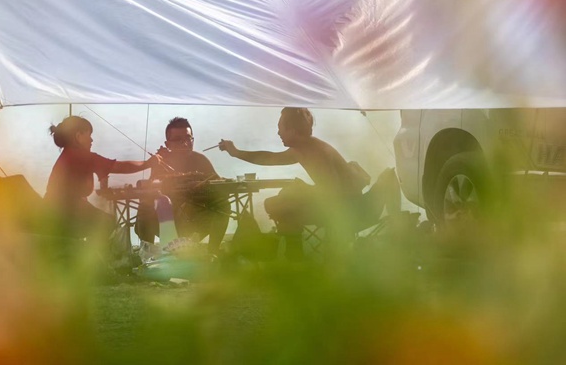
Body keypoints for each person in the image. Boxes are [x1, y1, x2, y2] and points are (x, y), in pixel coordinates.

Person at [218, 107, 369, 259]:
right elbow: (268, 158)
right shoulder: (303, 148)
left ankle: (295, 257)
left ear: (293, 130)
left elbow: (335, 192)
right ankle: (294, 255)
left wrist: (304, 189)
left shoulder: (315, 151)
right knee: (277, 204)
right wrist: (235, 152)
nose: (278, 133)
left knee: (279, 206)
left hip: (346, 211)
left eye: (280, 128)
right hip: (339, 206)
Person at [45, 116, 157, 243]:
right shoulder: (80, 156)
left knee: (104, 222)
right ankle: (99, 260)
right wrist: (148, 164)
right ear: (78, 136)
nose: (91, 140)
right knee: (107, 224)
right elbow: (120, 167)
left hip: (57, 210)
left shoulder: (69, 155)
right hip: (65, 212)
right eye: (89, 135)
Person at [149, 117, 231, 253]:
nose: (185, 144)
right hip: (168, 220)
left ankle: (212, 253)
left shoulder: (200, 159)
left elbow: (218, 184)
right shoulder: (161, 162)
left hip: (197, 220)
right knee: (145, 209)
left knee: (224, 204)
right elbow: (152, 189)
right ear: (167, 144)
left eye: (188, 139)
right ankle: (150, 254)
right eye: (178, 140)